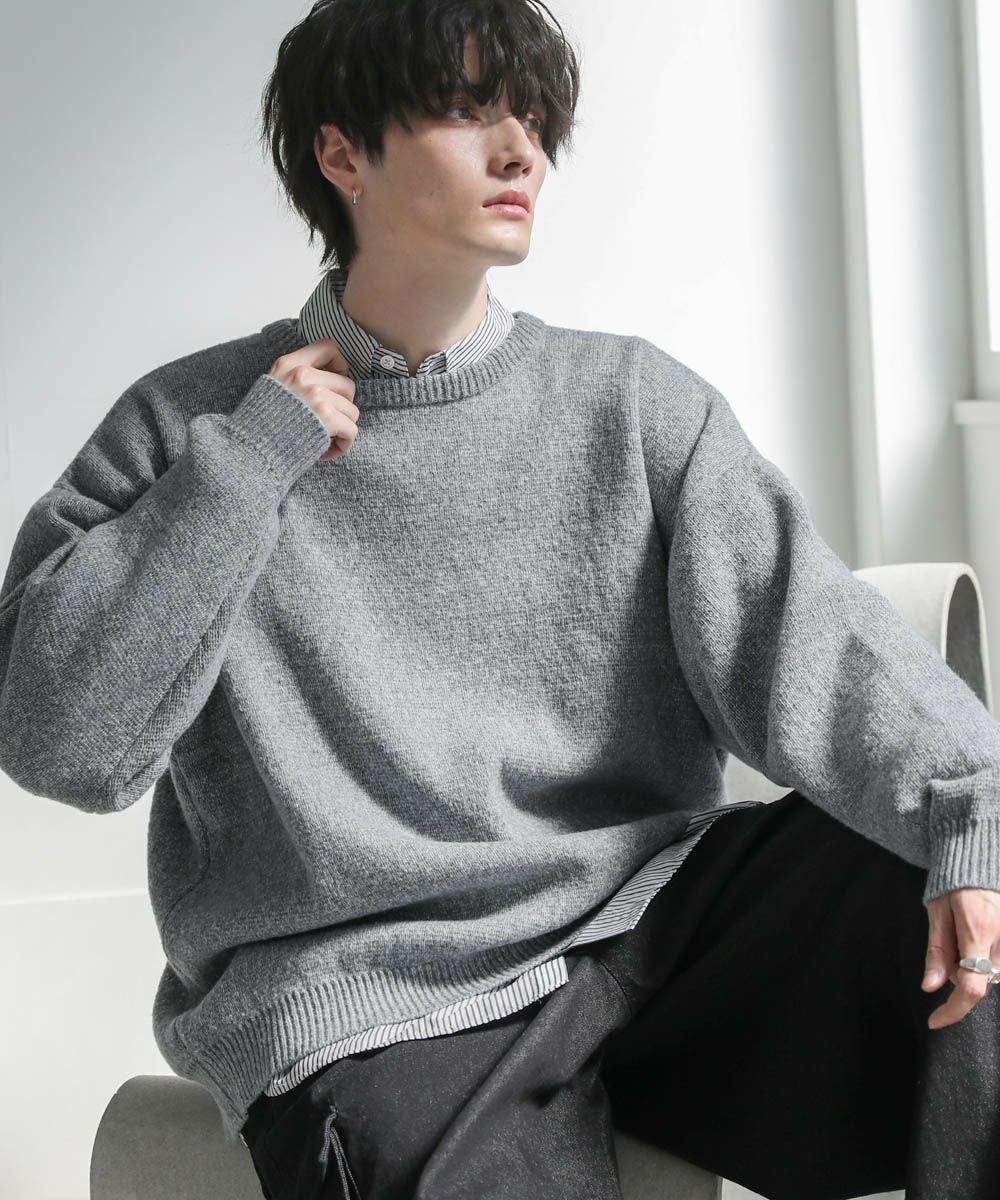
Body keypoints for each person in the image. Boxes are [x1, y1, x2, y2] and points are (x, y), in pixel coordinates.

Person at [1, 1, 999, 1197]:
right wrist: (249, 466)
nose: (521, 148)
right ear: (341, 154)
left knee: (971, 873)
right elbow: (59, 743)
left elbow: (813, 641)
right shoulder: (191, 428)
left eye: (529, 115)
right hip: (379, 994)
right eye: (468, 110)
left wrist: (969, 820)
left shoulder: (632, 407)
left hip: (651, 932)